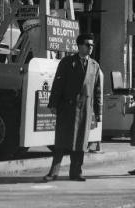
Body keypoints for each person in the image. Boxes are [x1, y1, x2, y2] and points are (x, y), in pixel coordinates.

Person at [43, 32, 102, 182]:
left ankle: (76, 172)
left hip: (85, 110)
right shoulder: (67, 62)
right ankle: (53, 172)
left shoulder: (95, 65)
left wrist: (98, 112)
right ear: (79, 46)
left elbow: (97, 91)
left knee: (81, 142)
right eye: (88, 45)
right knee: (61, 142)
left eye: (92, 45)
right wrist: (53, 104)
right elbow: (58, 84)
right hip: (68, 108)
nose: (91, 48)